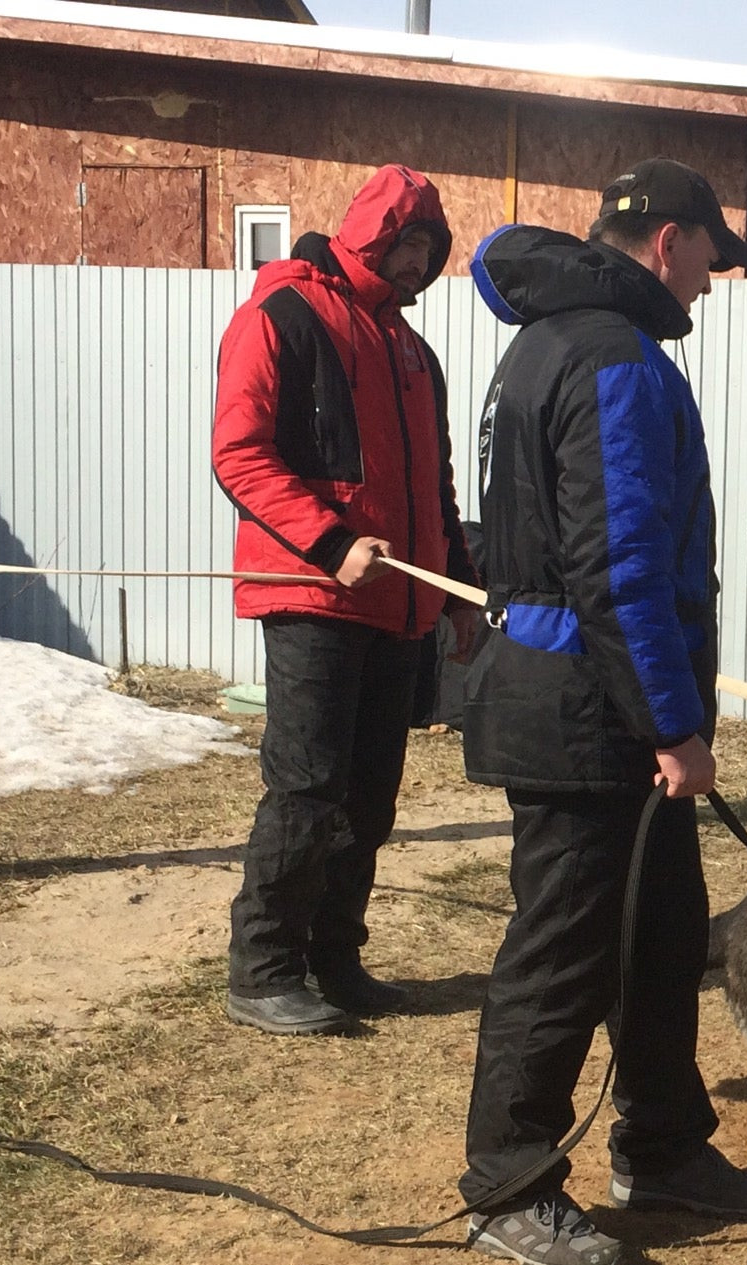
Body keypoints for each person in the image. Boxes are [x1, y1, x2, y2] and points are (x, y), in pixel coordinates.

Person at [457, 159, 747, 1265]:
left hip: (586, 701)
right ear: (669, 243)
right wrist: (672, 724)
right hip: (584, 712)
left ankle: (663, 1145)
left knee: (656, 936)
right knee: (562, 953)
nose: (712, 282)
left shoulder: (555, 341)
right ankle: (508, 1182)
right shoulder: (612, 357)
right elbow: (619, 569)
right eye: (712, 258)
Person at [213, 164, 480, 1038]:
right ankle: (263, 969)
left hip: (399, 608)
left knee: (370, 795)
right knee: (308, 787)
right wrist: (331, 545)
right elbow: (240, 454)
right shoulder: (279, 314)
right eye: (408, 246)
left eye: (429, 253)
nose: (417, 267)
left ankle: (335, 958)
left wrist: (460, 594)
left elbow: (431, 489)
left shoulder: (412, 351)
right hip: (313, 599)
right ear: (373, 233)